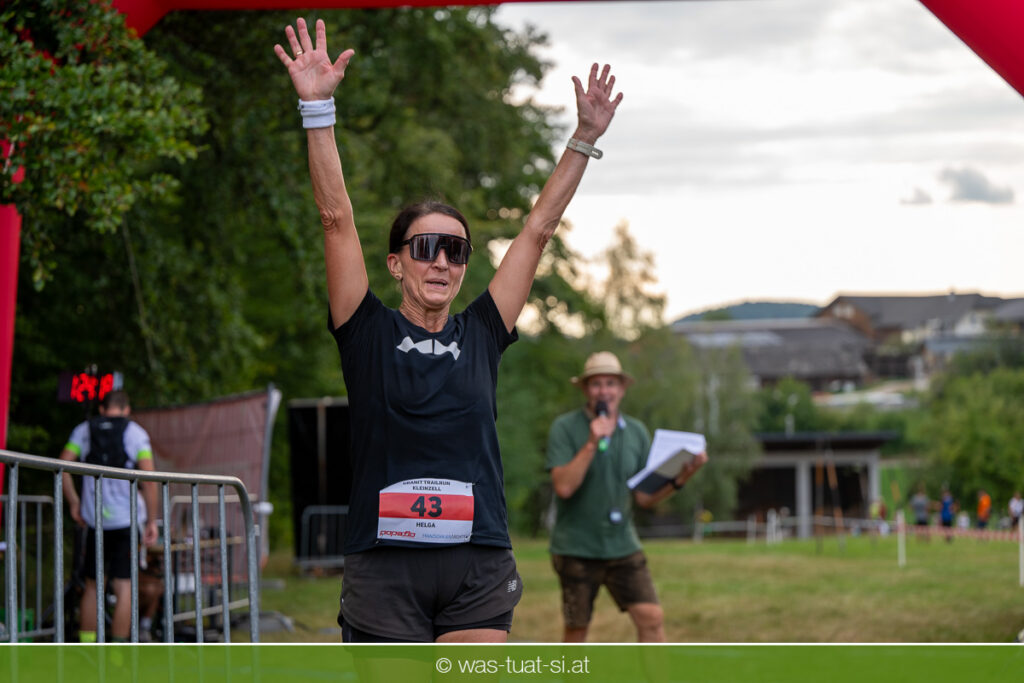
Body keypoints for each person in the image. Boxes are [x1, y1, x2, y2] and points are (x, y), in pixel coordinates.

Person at [274, 18, 622, 643]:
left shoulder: (483, 331)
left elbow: (538, 230)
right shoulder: (365, 330)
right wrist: (317, 110)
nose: (441, 262)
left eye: (456, 251)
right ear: (395, 263)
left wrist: (583, 138)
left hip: (476, 561)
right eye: (426, 247)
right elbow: (335, 219)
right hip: (384, 566)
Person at [546, 351, 707, 642]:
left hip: (622, 544)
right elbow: (564, 488)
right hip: (576, 547)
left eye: (610, 383)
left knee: (652, 618)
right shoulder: (565, 428)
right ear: (585, 390)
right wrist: (592, 442)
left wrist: (681, 478)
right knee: (577, 630)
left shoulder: (636, 431)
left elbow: (644, 497)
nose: (604, 391)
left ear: (622, 389)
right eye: (596, 384)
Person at [59, 390, 158, 642]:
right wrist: (151, 520)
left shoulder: (84, 430)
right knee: (124, 586)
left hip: (95, 520)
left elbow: (62, 466)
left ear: (102, 409)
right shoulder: (135, 433)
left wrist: (74, 503)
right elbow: (149, 480)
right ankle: (116, 653)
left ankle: (87, 649)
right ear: (127, 409)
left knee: (93, 585)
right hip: (126, 520)